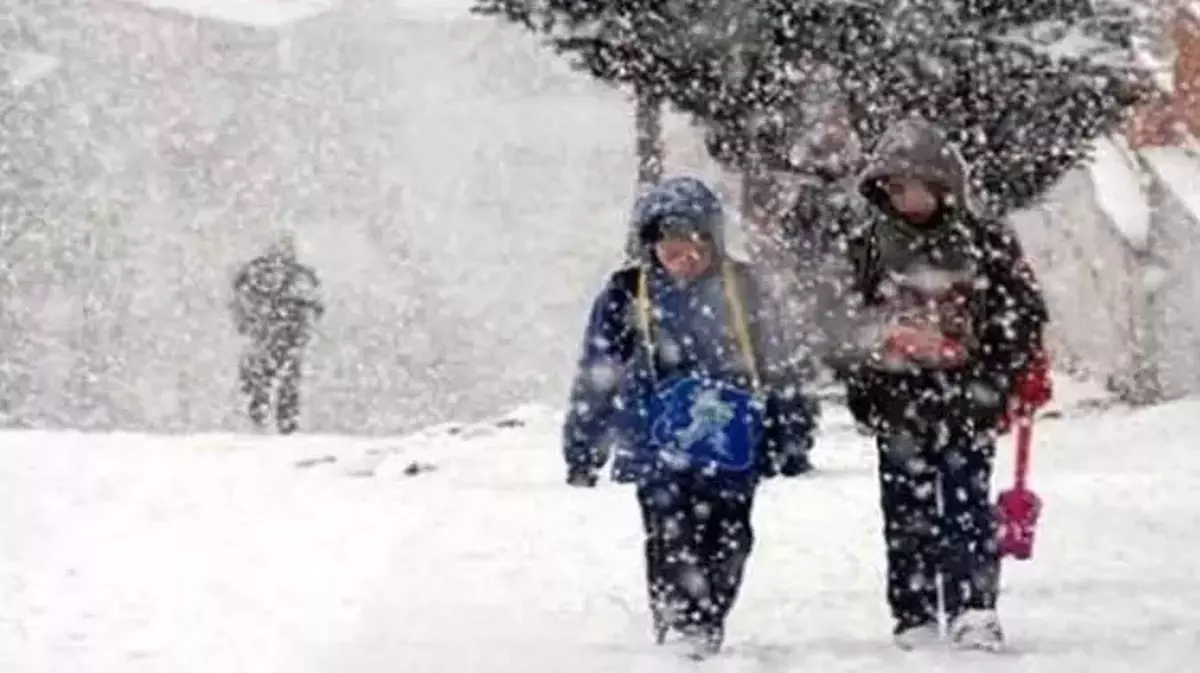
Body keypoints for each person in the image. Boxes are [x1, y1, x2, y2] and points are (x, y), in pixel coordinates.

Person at [561, 176, 817, 660]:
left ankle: (709, 614)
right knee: (668, 532)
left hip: (733, 443)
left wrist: (792, 432)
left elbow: (780, 363)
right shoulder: (625, 294)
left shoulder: (744, 289)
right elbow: (597, 374)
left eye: (695, 246)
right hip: (656, 444)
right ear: (650, 245)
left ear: (713, 242)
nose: (684, 259)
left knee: (730, 534)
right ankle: (680, 619)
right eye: (671, 248)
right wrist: (584, 446)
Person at [827, 118, 1050, 651]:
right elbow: (840, 322)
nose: (910, 198)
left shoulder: (985, 243)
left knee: (967, 506)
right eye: (897, 187)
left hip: (968, 398)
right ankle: (914, 610)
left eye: (920, 185)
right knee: (906, 511)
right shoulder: (866, 249)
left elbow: (1021, 313)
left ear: (946, 186)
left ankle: (975, 605)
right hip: (897, 399)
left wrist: (1000, 371)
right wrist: (873, 356)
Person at [231, 235, 325, 434]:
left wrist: (248, 323)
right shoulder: (300, 276)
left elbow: (238, 299)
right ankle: (286, 426)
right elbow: (314, 306)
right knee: (288, 381)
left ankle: (257, 421)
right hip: (288, 335)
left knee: (257, 379)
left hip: (262, 335)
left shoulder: (252, 273)